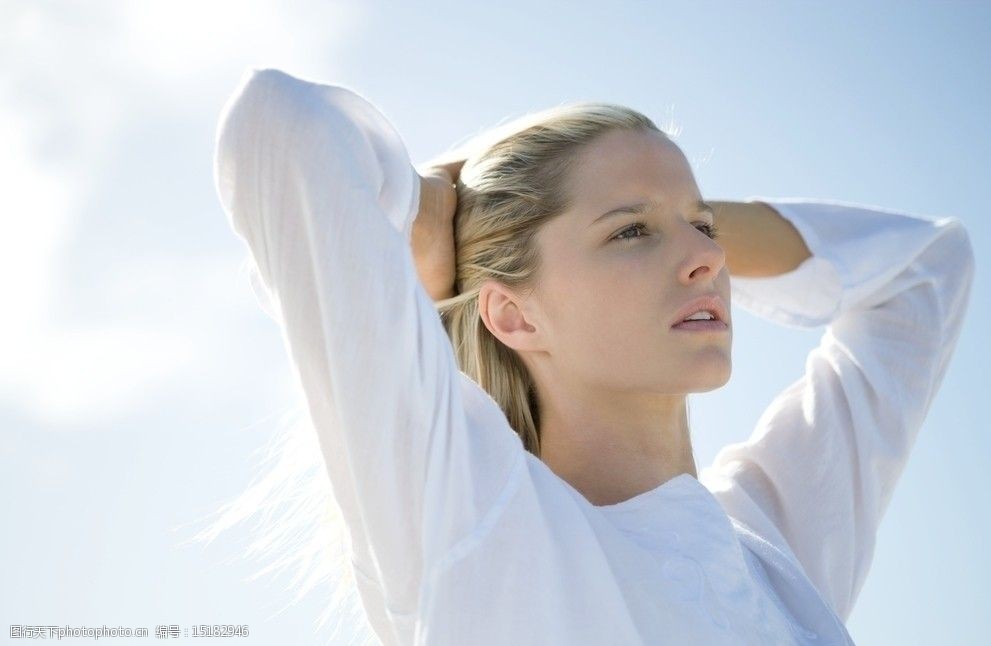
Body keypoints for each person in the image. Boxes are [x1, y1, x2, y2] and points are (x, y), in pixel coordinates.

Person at [211, 66, 974, 645]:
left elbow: (926, 267)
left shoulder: (775, 553)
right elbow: (282, 126)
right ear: (511, 312)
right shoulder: (474, 518)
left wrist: (668, 216)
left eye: (707, 229)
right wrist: (442, 216)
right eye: (627, 233)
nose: (706, 260)